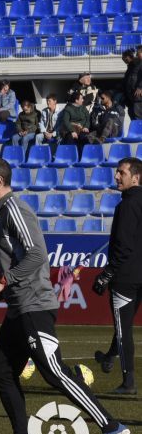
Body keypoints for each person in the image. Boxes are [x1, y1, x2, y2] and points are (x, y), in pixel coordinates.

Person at [0, 158, 130, 434]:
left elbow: (36, 255)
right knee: (2, 372)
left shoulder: (15, 210)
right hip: (19, 308)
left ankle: (112, 426)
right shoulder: (3, 214)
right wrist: (2, 290)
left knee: (54, 372)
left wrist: (2, 281)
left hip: (34, 307)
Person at [92, 157, 142, 395]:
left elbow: (123, 246)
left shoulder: (127, 205)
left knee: (123, 328)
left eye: (121, 173)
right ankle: (109, 356)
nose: (116, 176)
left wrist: (107, 273)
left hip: (126, 277)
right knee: (125, 322)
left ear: (136, 177)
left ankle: (128, 382)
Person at [58, 90, 92, 154]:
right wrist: (72, 131)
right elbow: (66, 121)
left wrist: (86, 127)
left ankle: (84, 156)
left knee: (85, 138)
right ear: (76, 100)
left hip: (82, 129)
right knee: (70, 138)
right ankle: (71, 157)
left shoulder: (83, 108)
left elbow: (88, 118)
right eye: (81, 99)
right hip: (72, 129)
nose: (83, 100)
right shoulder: (68, 109)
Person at [120, 49, 140, 120]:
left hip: (137, 98)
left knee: (138, 119)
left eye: (124, 57)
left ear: (129, 56)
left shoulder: (137, 64)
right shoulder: (130, 67)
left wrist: (140, 87)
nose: (123, 59)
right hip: (130, 99)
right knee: (133, 118)